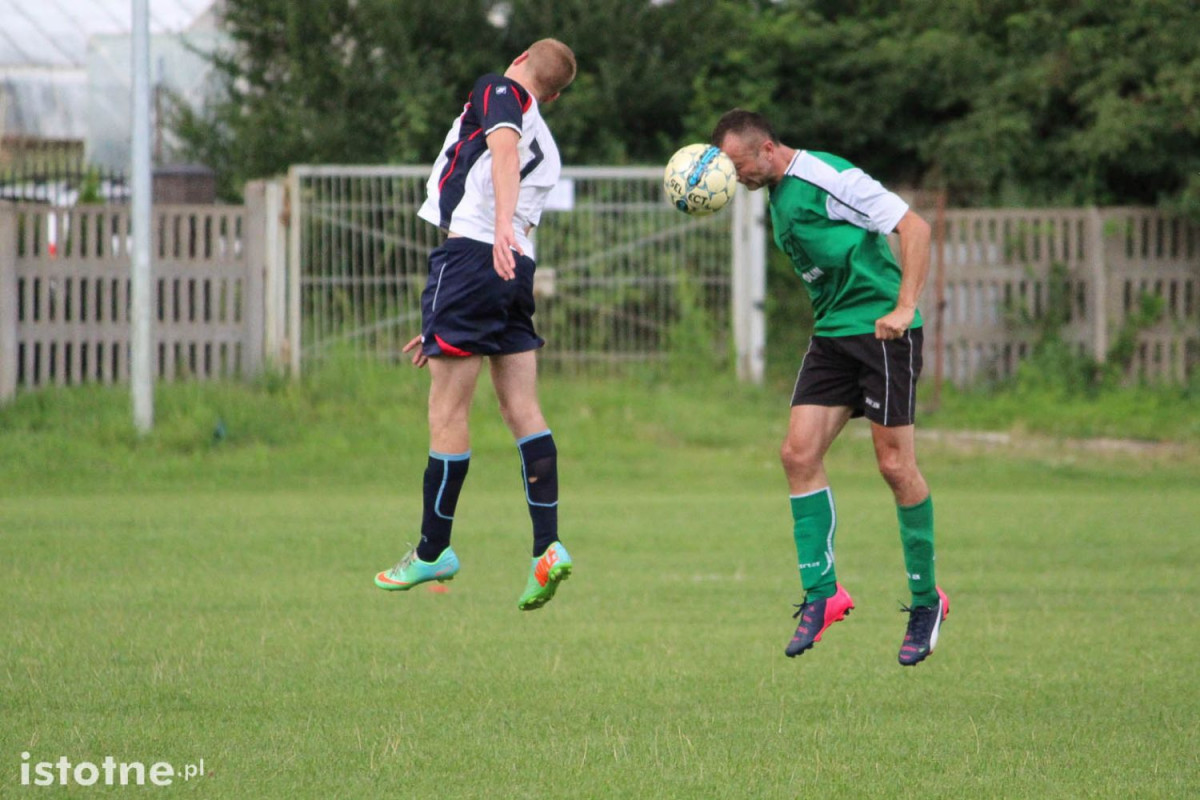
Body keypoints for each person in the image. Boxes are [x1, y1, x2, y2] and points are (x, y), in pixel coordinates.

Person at [711, 109, 948, 666]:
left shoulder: (829, 179)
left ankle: (925, 601)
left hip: (883, 334)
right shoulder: (775, 190)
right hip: (834, 338)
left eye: (739, 166)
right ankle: (825, 594)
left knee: (895, 467)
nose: (736, 178)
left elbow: (915, 227)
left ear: (768, 149)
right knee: (797, 454)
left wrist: (905, 306)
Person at [374, 39, 577, 611]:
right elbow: (512, 159)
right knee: (522, 409)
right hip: (513, 273)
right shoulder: (551, 142)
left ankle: (433, 548)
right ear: (555, 95)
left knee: (447, 412)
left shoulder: (500, 88)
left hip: (476, 257)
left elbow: (503, 152)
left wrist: (500, 231)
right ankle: (547, 546)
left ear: (520, 61)